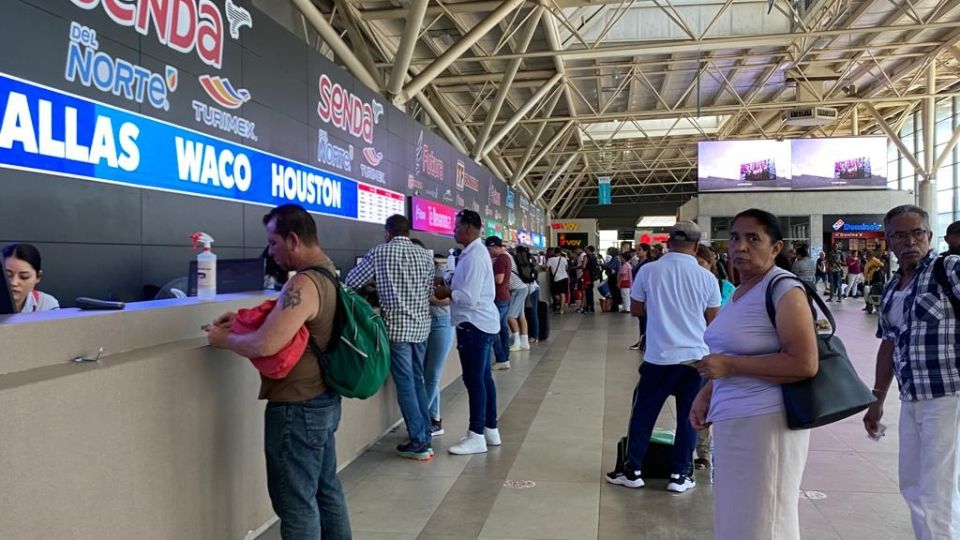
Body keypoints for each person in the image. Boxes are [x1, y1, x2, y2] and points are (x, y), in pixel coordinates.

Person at [204, 204, 351, 540]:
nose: (270, 251)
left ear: (293, 240)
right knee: (326, 490)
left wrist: (223, 339)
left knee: (296, 503)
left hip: (297, 408)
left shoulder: (303, 283)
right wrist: (241, 319)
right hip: (323, 400)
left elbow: (266, 344)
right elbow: (292, 325)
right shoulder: (328, 272)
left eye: (273, 243)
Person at [690, 208, 818, 540]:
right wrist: (707, 394)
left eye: (753, 238)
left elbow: (804, 363)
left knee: (766, 519)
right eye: (734, 237)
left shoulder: (783, 289)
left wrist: (730, 368)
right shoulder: (742, 290)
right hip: (735, 420)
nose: (740, 246)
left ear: (776, 248)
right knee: (738, 516)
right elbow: (731, 353)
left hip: (767, 423)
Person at [864, 205, 960, 540]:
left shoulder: (949, 269)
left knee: (938, 488)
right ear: (888, 240)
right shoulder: (892, 287)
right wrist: (876, 400)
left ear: (930, 236)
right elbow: (888, 345)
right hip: (912, 397)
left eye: (917, 233)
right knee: (913, 482)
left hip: (949, 394)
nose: (910, 241)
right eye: (900, 235)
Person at [606, 221, 721, 494]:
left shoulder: (649, 270)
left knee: (643, 415)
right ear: (695, 246)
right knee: (689, 418)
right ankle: (680, 476)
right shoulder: (707, 277)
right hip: (696, 359)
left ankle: (633, 471)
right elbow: (714, 321)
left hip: (659, 357)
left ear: (668, 241)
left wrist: (662, 312)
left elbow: (636, 309)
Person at [346, 214, 435, 460]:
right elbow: (429, 291)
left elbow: (351, 282)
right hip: (421, 327)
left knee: (405, 384)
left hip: (397, 328)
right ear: (408, 231)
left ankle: (419, 441)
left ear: (388, 232)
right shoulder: (424, 256)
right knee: (418, 380)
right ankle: (425, 433)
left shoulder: (380, 252)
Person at [433, 210, 502, 455]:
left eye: (457, 226)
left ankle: (476, 435)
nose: (454, 231)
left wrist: (447, 292)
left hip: (474, 325)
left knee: (474, 381)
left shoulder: (474, 256)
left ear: (469, 229)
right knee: (484, 378)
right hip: (481, 324)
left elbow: (469, 297)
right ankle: (490, 428)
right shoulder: (473, 253)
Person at [411, 239, 454, 438]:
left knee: (432, 374)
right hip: (424, 326)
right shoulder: (411, 273)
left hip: (441, 324)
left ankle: (419, 420)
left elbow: (447, 300)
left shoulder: (438, 270)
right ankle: (434, 419)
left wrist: (421, 296)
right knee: (426, 375)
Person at [2, 243, 59, 313]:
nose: (14, 283)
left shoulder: (46, 304)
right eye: (7, 275)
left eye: (24, 277)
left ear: (38, 277)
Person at [486, 236, 513, 370]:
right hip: (505, 296)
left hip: (498, 297)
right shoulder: (506, 257)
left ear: (495, 247)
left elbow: (498, 279)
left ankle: (501, 357)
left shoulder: (500, 260)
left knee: (494, 328)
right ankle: (504, 357)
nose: (489, 251)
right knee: (502, 327)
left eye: (489, 248)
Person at [506, 247, 530, 352]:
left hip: (517, 290)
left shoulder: (503, 257)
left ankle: (517, 342)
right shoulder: (510, 256)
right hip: (522, 287)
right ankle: (524, 342)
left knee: (510, 316)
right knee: (521, 315)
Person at [629, 243, 653, 350]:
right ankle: (642, 339)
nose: (637, 252)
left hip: (646, 294)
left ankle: (645, 340)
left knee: (646, 318)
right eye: (637, 250)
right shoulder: (639, 263)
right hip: (638, 292)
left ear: (646, 251)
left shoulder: (649, 264)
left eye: (640, 250)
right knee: (642, 318)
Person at [546, 247, 569, 315]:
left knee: (555, 294)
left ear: (554, 252)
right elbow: (566, 267)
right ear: (560, 252)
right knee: (563, 294)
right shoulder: (564, 259)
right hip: (565, 277)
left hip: (556, 279)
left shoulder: (550, 259)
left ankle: (562, 305)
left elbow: (546, 269)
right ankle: (562, 309)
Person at [604, 247, 622, 312]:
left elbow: (609, 266)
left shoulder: (616, 259)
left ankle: (615, 307)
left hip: (614, 277)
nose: (607, 252)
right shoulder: (614, 258)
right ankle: (614, 306)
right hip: (613, 277)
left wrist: (604, 265)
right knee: (614, 292)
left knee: (614, 292)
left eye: (609, 251)